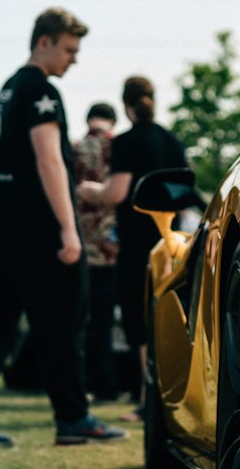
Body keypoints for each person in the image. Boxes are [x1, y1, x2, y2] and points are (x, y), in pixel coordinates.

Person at [0, 8, 125, 448]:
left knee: (0, 319)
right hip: (36, 223)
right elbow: (48, 158)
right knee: (65, 316)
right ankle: (73, 417)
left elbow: (5, 157)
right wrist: (69, 229)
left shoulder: (7, 89)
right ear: (44, 42)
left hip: (5, 217)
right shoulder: (40, 90)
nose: (73, 60)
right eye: (69, 49)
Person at [77, 75, 186, 416]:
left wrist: (91, 190)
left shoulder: (126, 142)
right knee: (169, 321)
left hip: (138, 244)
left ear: (126, 105)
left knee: (140, 325)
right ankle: (170, 399)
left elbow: (116, 193)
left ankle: (147, 400)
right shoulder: (172, 140)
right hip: (171, 242)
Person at [72, 102, 121, 402]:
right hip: (112, 247)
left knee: (80, 322)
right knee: (105, 323)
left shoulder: (73, 148)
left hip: (78, 247)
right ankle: (108, 384)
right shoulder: (118, 146)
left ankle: (82, 381)